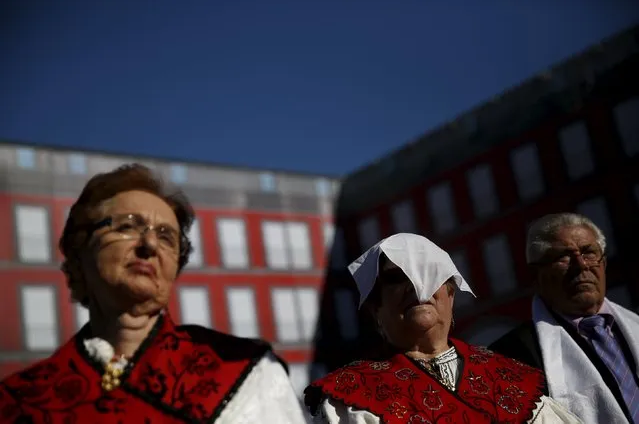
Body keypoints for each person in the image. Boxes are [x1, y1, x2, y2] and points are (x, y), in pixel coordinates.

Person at [0, 164, 307, 424]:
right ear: (81, 249)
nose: (149, 245)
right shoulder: (18, 399)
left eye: (166, 237)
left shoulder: (246, 373)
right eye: (128, 226)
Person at [304, 233, 582, 423]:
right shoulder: (347, 399)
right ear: (376, 308)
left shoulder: (514, 380)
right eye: (396, 278)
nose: (416, 286)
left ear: (451, 295)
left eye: (429, 274)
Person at [489, 213, 639, 423]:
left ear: (603, 263)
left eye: (588, 252)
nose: (581, 265)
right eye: (563, 257)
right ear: (536, 275)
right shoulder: (510, 358)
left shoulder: (635, 325)